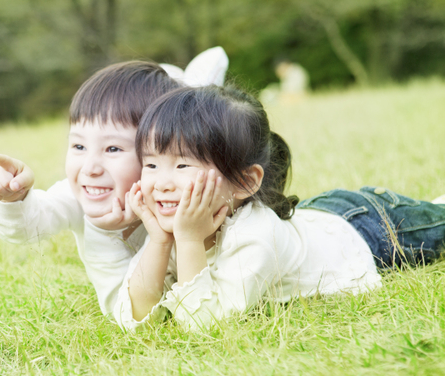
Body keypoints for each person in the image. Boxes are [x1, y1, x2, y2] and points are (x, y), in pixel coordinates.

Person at [108, 85, 445, 331]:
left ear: (243, 182)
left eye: (182, 166)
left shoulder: (254, 233)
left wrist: (190, 241)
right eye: (151, 165)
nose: (161, 182)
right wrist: (159, 241)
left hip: (369, 229)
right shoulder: (173, 226)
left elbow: (204, 324)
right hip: (316, 218)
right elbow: (136, 316)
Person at [0, 51, 229, 316]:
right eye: (78, 145)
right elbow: (26, 227)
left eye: (112, 149)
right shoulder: (76, 196)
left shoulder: (179, 193)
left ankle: (193, 88)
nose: (90, 167)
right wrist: (12, 199)